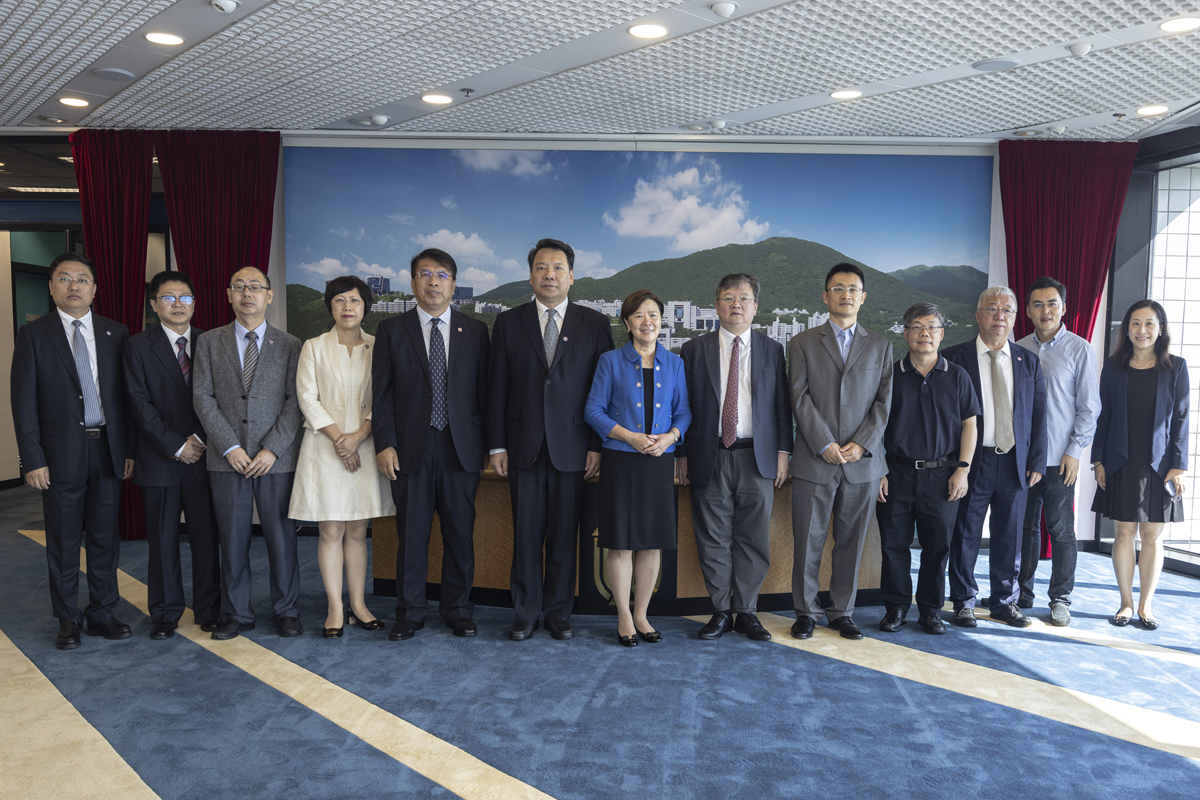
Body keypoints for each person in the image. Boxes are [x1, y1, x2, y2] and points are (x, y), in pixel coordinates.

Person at [487, 238, 614, 641]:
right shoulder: (509, 322)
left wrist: (597, 445)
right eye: (541, 267)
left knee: (564, 534)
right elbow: (495, 388)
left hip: (574, 447)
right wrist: (496, 445)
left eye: (558, 268)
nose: (550, 275)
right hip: (521, 445)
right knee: (526, 534)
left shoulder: (593, 323)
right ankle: (524, 612)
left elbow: (604, 389)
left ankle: (559, 612)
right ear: (530, 275)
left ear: (572, 276)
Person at [11, 252, 135, 650]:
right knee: (63, 540)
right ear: (51, 287)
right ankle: (68, 619)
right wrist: (32, 457)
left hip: (107, 451)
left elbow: (125, 399)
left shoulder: (116, 332)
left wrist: (128, 449)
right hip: (59, 455)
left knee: (104, 538)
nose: (74, 286)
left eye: (82, 279)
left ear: (95, 289)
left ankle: (102, 612)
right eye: (64, 279)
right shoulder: (33, 334)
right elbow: (23, 400)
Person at [373, 248, 490, 641]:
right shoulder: (391, 330)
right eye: (426, 274)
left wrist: (492, 447)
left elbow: (485, 394)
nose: (434, 281)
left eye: (442, 275)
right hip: (409, 448)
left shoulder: (475, 331)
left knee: (460, 533)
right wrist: (385, 444)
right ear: (413, 282)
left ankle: (458, 609)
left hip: (462, 448)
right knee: (412, 533)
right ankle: (409, 612)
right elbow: (382, 394)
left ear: (454, 284)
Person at [677, 274, 791, 641]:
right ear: (716, 305)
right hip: (708, 454)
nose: (736, 304)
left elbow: (782, 407)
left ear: (756, 307)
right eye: (729, 297)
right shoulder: (694, 349)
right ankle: (720, 611)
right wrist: (680, 454)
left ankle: (746, 611)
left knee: (753, 538)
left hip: (756, 457)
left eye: (744, 298)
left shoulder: (773, 350)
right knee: (711, 537)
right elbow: (684, 406)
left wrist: (783, 453)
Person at [193, 266, 304, 641]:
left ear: (269, 296)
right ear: (228, 295)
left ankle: (286, 610)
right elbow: (202, 397)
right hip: (227, 459)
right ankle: (236, 613)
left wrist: (272, 448)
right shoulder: (209, 342)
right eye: (239, 286)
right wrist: (229, 446)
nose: (247, 293)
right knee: (232, 538)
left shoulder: (290, 344)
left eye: (255, 287)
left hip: (277, 460)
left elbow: (295, 402)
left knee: (281, 539)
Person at [788, 263, 892, 641]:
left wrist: (861, 443)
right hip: (815, 458)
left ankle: (842, 612)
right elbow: (798, 398)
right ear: (825, 296)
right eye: (838, 288)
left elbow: (883, 403)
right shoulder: (801, 342)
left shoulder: (880, 345)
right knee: (808, 539)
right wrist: (825, 443)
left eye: (853, 289)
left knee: (852, 541)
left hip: (862, 463)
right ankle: (805, 612)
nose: (845, 295)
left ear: (862, 297)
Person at [289, 276, 394, 638]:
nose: (347, 307)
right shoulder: (313, 347)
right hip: (324, 448)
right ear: (330, 307)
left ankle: (359, 605)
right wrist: (340, 441)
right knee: (331, 530)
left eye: (354, 300)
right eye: (339, 301)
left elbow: (384, 398)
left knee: (357, 530)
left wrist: (360, 436)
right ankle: (335, 607)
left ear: (365, 306)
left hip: (365, 448)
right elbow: (307, 398)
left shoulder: (379, 346)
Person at [585, 289, 690, 647]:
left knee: (650, 544)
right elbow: (593, 411)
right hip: (621, 460)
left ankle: (643, 614)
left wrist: (671, 437)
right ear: (627, 323)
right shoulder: (610, 361)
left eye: (654, 315)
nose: (648, 322)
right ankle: (624, 617)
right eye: (640, 316)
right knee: (621, 544)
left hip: (658, 462)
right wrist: (629, 437)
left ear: (663, 321)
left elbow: (684, 412)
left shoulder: (674, 363)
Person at [124, 270, 220, 639]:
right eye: (168, 298)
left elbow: (218, 398)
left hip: (205, 457)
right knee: (162, 542)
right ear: (154, 304)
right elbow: (138, 404)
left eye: (184, 298)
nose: (177, 304)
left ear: (195, 303)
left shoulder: (211, 342)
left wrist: (197, 439)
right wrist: (177, 445)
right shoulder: (136, 346)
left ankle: (210, 610)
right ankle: (164, 614)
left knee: (206, 540)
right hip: (159, 458)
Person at [943, 286, 1047, 629]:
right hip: (973, 461)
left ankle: (1005, 601)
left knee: (1010, 535)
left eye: (1007, 310)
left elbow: (1038, 414)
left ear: (1016, 318)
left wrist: (1036, 460)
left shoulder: (1028, 361)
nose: (999, 316)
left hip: (1015, 461)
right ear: (977, 315)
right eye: (991, 309)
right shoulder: (954, 358)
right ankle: (963, 601)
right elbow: (946, 418)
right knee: (965, 533)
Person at [876, 303, 978, 635]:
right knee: (894, 545)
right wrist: (879, 469)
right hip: (897, 473)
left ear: (942, 333)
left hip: (943, 474)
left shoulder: (958, 376)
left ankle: (931, 610)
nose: (925, 333)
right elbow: (874, 425)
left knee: (938, 546)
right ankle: (896, 607)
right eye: (917, 326)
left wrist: (962, 470)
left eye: (932, 327)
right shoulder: (890, 375)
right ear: (905, 333)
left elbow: (969, 426)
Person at [1091, 300, 1187, 630]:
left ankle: (1146, 605)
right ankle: (1125, 604)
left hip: (1159, 463)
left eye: (1149, 323)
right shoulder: (1114, 367)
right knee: (1123, 533)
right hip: (1120, 459)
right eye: (1135, 323)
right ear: (1126, 329)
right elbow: (1103, 416)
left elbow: (1182, 419)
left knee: (1152, 536)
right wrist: (1098, 460)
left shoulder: (1176, 367)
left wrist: (1179, 465)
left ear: (1160, 328)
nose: (1141, 330)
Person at [1015, 276, 1099, 627]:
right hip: (1022, 458)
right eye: (1038, 304)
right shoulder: (1018, 347)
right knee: (1025, 529)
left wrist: (1075, 451)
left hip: (1059, 459)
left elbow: (1089, 407)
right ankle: (1022, 594)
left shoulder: (1080, 349)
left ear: (1063, 308)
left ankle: (1061, 599)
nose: (1045, 310)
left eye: (1052, 303)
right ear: (1029, 310)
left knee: (1062, 530)